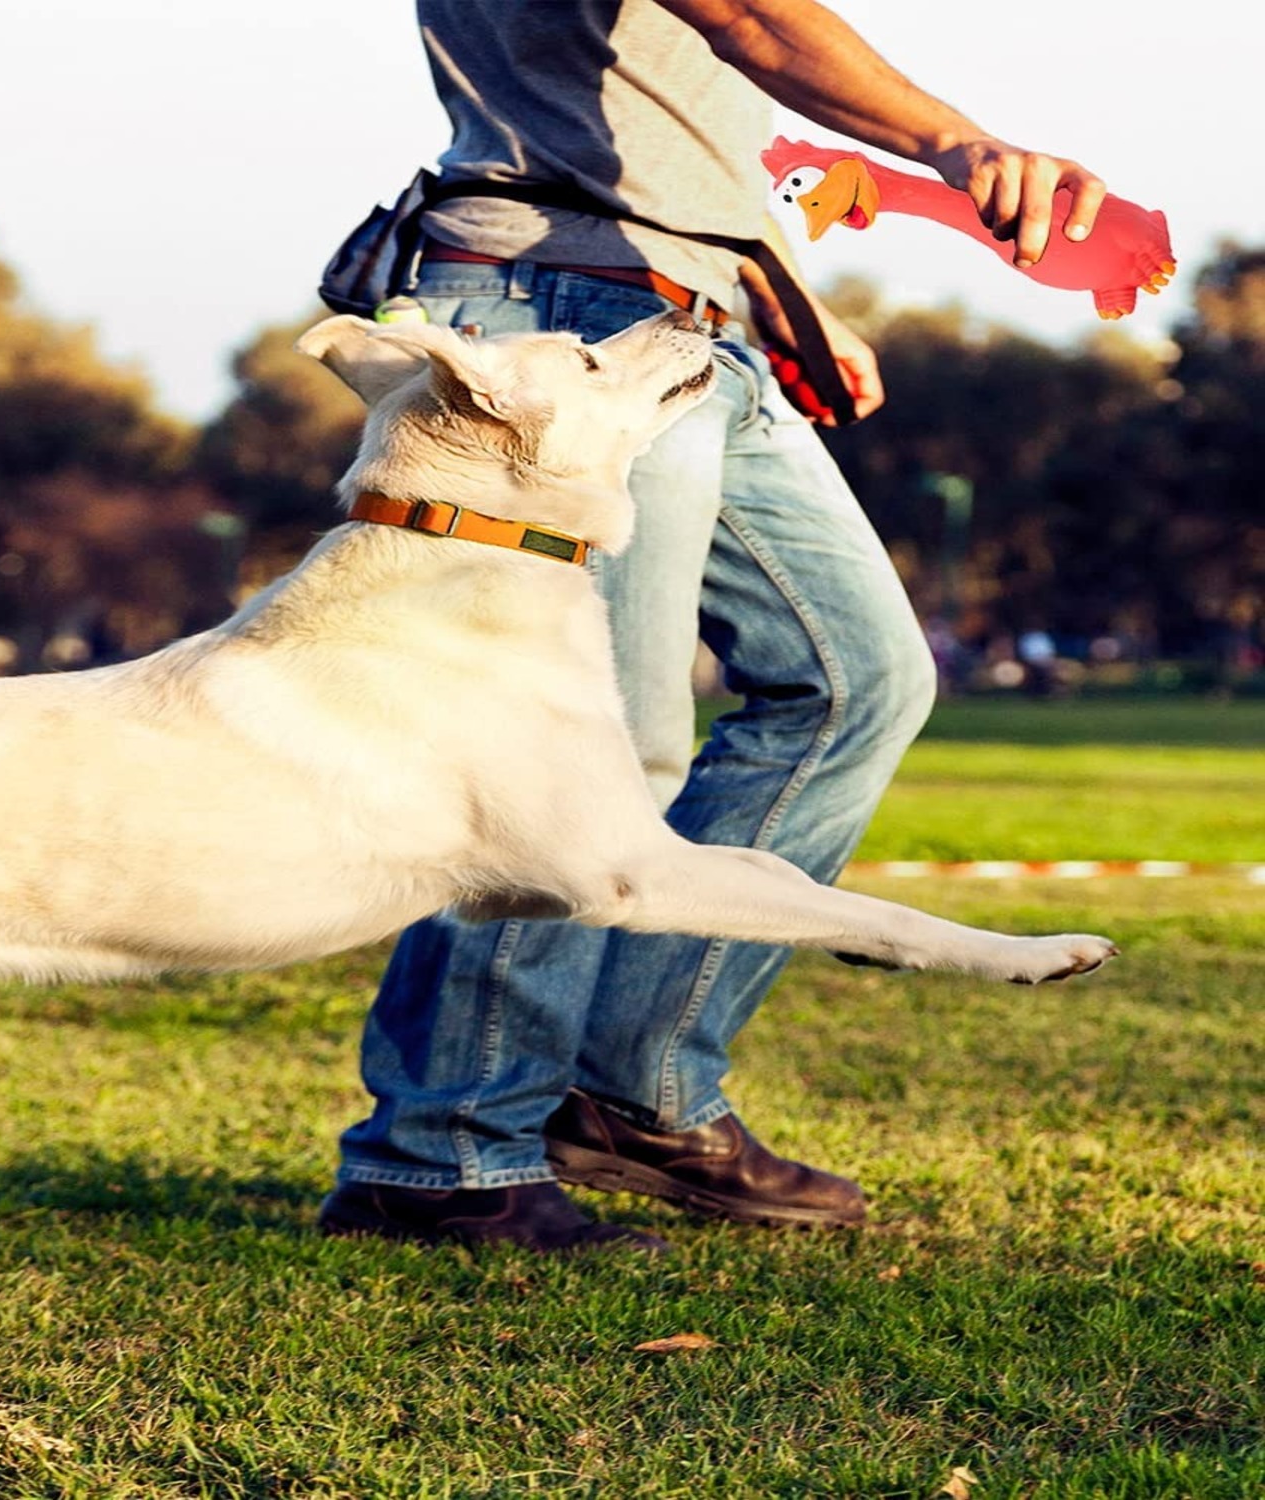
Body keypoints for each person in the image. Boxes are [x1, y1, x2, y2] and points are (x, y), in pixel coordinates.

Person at [318, 0, 1108, 1253]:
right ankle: (444, 1152)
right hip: (559, 312)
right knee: (585, 759)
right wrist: (956, 145)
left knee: (855, 679)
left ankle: (632, 1093)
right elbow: (751, 18)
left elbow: (661, 103)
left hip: (681, 314)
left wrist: (764, 281)